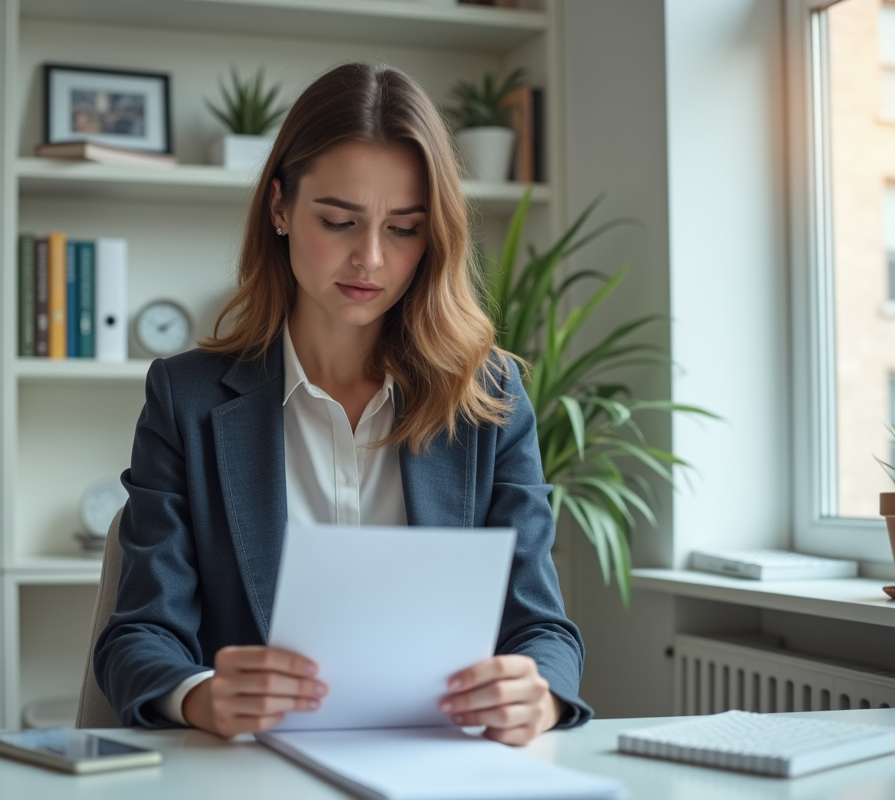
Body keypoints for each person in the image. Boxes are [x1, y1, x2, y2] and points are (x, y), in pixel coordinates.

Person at [94, 62, 591, 746]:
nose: (371, 259)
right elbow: (138, 636)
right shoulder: (186, 399)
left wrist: (538, 695)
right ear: (279, 208)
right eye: (339, 220)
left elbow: (544, 628)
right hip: (247, 776)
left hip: (441, 771)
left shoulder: (490, 400)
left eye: (405, 229)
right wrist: (200, 695)